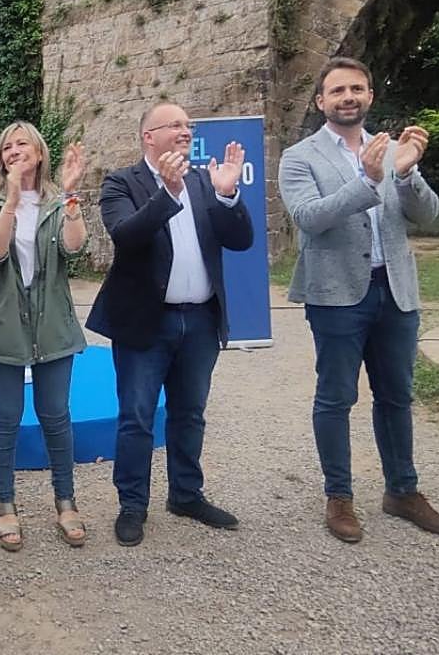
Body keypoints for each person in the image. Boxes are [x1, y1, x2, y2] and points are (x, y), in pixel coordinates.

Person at [278, 56, 439, 543]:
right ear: (321, 102)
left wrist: (405, 175)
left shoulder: (396, 150)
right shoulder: (300, 157)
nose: (348, 98)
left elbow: (428, 215)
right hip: (336, 294)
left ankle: (403, 490)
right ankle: (339, 497)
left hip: (396, 290)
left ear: (370, 96)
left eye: (357, 88)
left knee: (397, 396)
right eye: (337, 91)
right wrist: (367, 180)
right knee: (336, 398)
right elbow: (310, 218)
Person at [86, 101, 252, 547]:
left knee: (190, 413)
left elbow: (241, 240)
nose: (185, 131)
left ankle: (185, 494)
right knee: (137, 418)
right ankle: (132, 505)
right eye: (175, 125)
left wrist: (226, 195)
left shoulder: (205, 180)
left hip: (199, 319)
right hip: (146, 322)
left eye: (187, 125)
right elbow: (126, 235)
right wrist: (168, 192)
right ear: (148, 136)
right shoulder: (122, 182)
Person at [0, 122, 89, 551]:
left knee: (56, 415)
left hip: (52, 324)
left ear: (39, 154)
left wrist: (72, 196)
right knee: (5, 417)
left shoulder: (58, 201)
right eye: (6, 146)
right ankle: (4, 503)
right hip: (1, 325)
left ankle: (66, 500)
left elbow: (74, 248)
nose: (13, 151)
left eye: (22, 144)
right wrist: (13, 202)